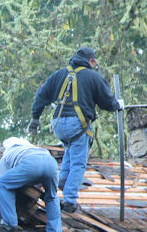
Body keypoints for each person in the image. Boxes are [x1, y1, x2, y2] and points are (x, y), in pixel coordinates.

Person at [29, 46, 119, 212]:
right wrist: (117, 105)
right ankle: (70, 200)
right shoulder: (93, 77)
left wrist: (35, 118)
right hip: (77, 124)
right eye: (94, 61)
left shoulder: (59, 75)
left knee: (69, 152)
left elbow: (41, 95)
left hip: (57, 124)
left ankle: (63, 180)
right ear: (90, 61)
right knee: (78, 162)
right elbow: (107, 102)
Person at [0, 137, 62, 232]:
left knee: (3, 184)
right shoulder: (32, 149)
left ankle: (9, 223)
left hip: (31, 163)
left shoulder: (8, 154)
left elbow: (1, 184)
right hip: (51, 163)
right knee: (52, 196)